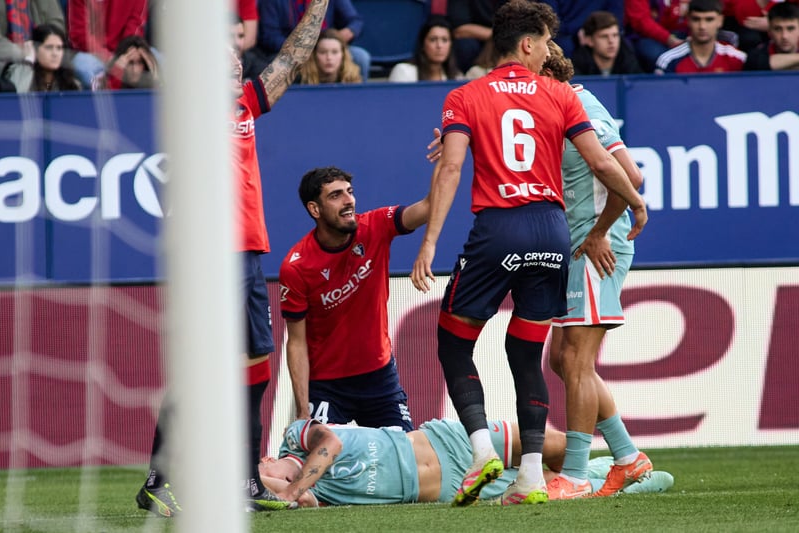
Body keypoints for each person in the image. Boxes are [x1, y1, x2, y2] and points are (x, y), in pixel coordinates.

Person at [410, 0, 647, 507]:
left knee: (454, 343)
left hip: (500, 229)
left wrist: (429, 242)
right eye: (543, 42)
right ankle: (533, 478)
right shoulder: (559, 94)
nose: (547, 51)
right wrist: (636, 200)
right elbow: (602, 162)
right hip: (553, 233)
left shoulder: (466, 94)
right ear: (526, 43)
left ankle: (482, 453)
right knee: (530, 354)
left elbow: (451, 169)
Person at [135, 0, 331, 518]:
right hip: (212, 258)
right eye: (222, 56)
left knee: (255, 371)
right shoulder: (193, 111)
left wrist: (318, 6)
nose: (235, 61)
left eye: (237, 55)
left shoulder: (244, 103)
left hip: (247, 257)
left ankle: (246, 482)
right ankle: (157, 480)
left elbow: (291, 59)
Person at [537, 41, 651, 500]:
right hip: (578, 243)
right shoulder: (568, 103)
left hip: (595, 245)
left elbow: (631, 178)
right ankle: (628, 457)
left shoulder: (579, 105)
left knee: (576, 361)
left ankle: (577, 474)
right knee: (560, 361)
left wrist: (602, 231)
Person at [278, 165, 430, 430]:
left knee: (407, 451)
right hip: (327, 386)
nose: (348, 200)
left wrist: (448, 163)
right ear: (315, 209)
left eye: (349, 192)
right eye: (335, 195)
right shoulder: (296, 266)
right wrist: (302, 412)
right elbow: (297, 343)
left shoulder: (376, 225)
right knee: (318, 452)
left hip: (380, 378)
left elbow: (428, 207)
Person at [258, 418, 675, 506]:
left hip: (450, 441)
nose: (264, 482)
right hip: (449, 489)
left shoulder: (296, 435)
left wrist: (289, 487)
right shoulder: (311, 497)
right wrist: (279, 491)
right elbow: (289, 499)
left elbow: (330, 442)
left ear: (266, 457)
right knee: (549, 494)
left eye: (258, 473)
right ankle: (621, 483)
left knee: (554, 445)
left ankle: (602, 465)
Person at [253, 0, 371, 81]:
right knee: (276, 65)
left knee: (361, 57)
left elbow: (355, 21)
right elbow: (270, 36)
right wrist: (301, 50)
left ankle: (359, 98)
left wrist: (347, 32)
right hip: (290, 51)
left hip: (325, 46)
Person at [67, 0, 150, 88]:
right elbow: (79, 34)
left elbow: (135, 24)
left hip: (125, 51)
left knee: (158, 59)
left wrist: (125, 54)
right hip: (93, 54)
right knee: (83, 65)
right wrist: (109, 58)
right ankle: (101, 90)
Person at [655, 0, 747, 74]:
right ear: (688, 20)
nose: (702, 26)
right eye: (696, 19)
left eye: (709, 19)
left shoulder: (737, 59)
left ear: (720, 21)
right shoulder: (668, 61)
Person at [1, 23, 81, 92]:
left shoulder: (70, 82)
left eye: (59, 48)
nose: (55, 53)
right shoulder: (20, 70)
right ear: (35, 49)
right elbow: (18, 98)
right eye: (49, 47)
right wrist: (28, 62)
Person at [538, 0, 625, 59]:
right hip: (564, 35)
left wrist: (593, 31)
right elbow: (549, 20)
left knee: (620, 43)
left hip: (598, 30)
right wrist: (579, 31)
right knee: (562, 46)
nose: (611, 41)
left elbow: (615, 17)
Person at [0, 0, 65, 76]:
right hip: (7, 54)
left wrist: (38, 46)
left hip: (40, 47)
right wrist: (21, 52)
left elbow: (57, 25)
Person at [389, 15, 462, 82]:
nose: (439, 46)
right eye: (433, 40)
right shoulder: (404, 71)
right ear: (422, 44)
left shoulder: (457, 77)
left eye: (444, 40)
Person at [571, 11, 643, 76]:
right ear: (590, 41)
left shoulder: (628, 60)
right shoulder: (577, 65)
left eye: (615, 35)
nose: (611, 41)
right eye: (604, 36)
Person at [625, 0, 689, 72]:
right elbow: (641, 21)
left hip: (682, 33)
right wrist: (669, 38)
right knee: (662, 59)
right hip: (646, 37)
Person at [447, 0, 506, 74]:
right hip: (476, 43)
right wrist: (499, 34)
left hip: (503, 39)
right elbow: (459, 30)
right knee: (466, 45)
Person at [744, 2, 799, 70]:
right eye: (777, 29)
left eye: (790, 29)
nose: (784, 36)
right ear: (769, 31)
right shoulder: (757, 54)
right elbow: (761, 64)